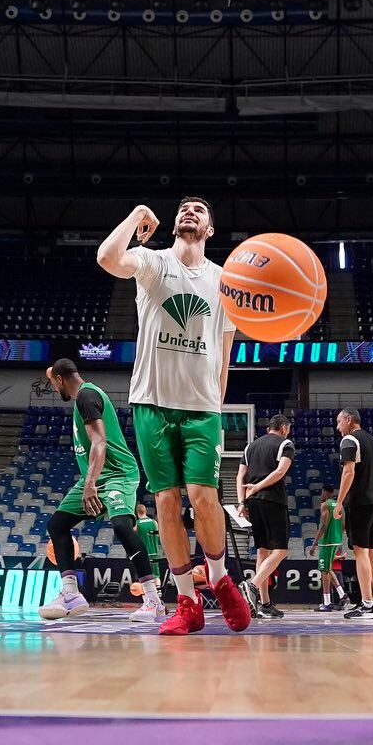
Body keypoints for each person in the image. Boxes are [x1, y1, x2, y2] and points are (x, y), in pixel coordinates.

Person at [96, 197, 250, 636]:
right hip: (151, 401)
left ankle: (219, 579)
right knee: (165, 501)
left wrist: (218, 404)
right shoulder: (151, 262)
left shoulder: (225, 282)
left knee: (203, 497)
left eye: (200, 209)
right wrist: (138, 213)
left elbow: (224, 355)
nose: (190, 212)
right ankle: (186, 600)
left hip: (203, 408)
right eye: (184, 208)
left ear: (211, 229)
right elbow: (107, 257)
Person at [37, 358, 157, 621]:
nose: (55, 390)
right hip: (93, 476)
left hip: (117, 474)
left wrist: (90, 484)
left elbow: (99, 442)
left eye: (54, 384)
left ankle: (153, 599)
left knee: (122, 527)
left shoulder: (86, 396)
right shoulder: (79, 389)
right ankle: (70, 593)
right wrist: (51, 372)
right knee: (57, 525)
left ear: (60, 380)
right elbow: (53, 371)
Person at [237, 414, 295, 618]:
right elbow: (280, 472)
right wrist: (259, 486)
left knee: (262, 550)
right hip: (273, 499)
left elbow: (240, 476)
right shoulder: (286, 444)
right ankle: (251, 586)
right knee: (280, 551)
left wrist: (242, 501)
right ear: (284, 428)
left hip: (253, 502)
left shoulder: (250, 446)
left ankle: (265, 603)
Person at [336, 407, 373, 621]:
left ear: (349, 420)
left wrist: (339, 502)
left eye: (339, 422)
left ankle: (367, 604)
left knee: (361, 552)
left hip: (360, 503)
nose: (338, 426)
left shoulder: (349, 441)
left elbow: (348, 472)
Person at [316, 484, 346, 612]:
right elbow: (344, 524)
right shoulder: (340, 505)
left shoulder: (325, 504)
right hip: (337, 540)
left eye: (322, 492)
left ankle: (326, 603)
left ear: (325, 492)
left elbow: (324, 526)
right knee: (328, 568)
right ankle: (341, 594)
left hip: (326, 541)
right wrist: (337, 536)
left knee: (324, 571)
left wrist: (314, 544)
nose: (321, 495)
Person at [133, 500, 164, 617]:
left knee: (144, 576)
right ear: (145, 511)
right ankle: (159, 596)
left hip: (143, 554)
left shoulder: (137, 524)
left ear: (137, 512)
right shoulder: (154, 522)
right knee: (156, 575)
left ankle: (147, 601)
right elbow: (159, 535)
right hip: (155, 552)